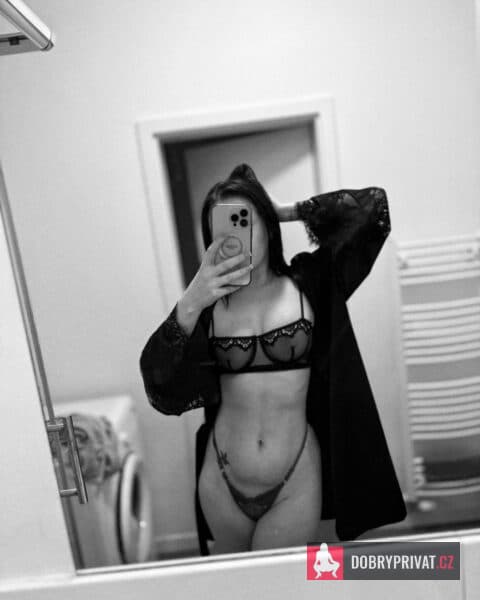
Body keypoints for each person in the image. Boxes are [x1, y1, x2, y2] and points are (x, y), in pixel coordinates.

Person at [139, 163, 407, 555]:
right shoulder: (206, 308)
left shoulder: (311, 281)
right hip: (221, 480)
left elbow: (372, 210)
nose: (236, 234)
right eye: (224, 227)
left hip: (294, 478)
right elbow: (159, 386)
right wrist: (192, 300)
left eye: (246, 220)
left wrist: (286, 210)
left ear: (266, 224)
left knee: (281, 582)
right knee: (240, 585)